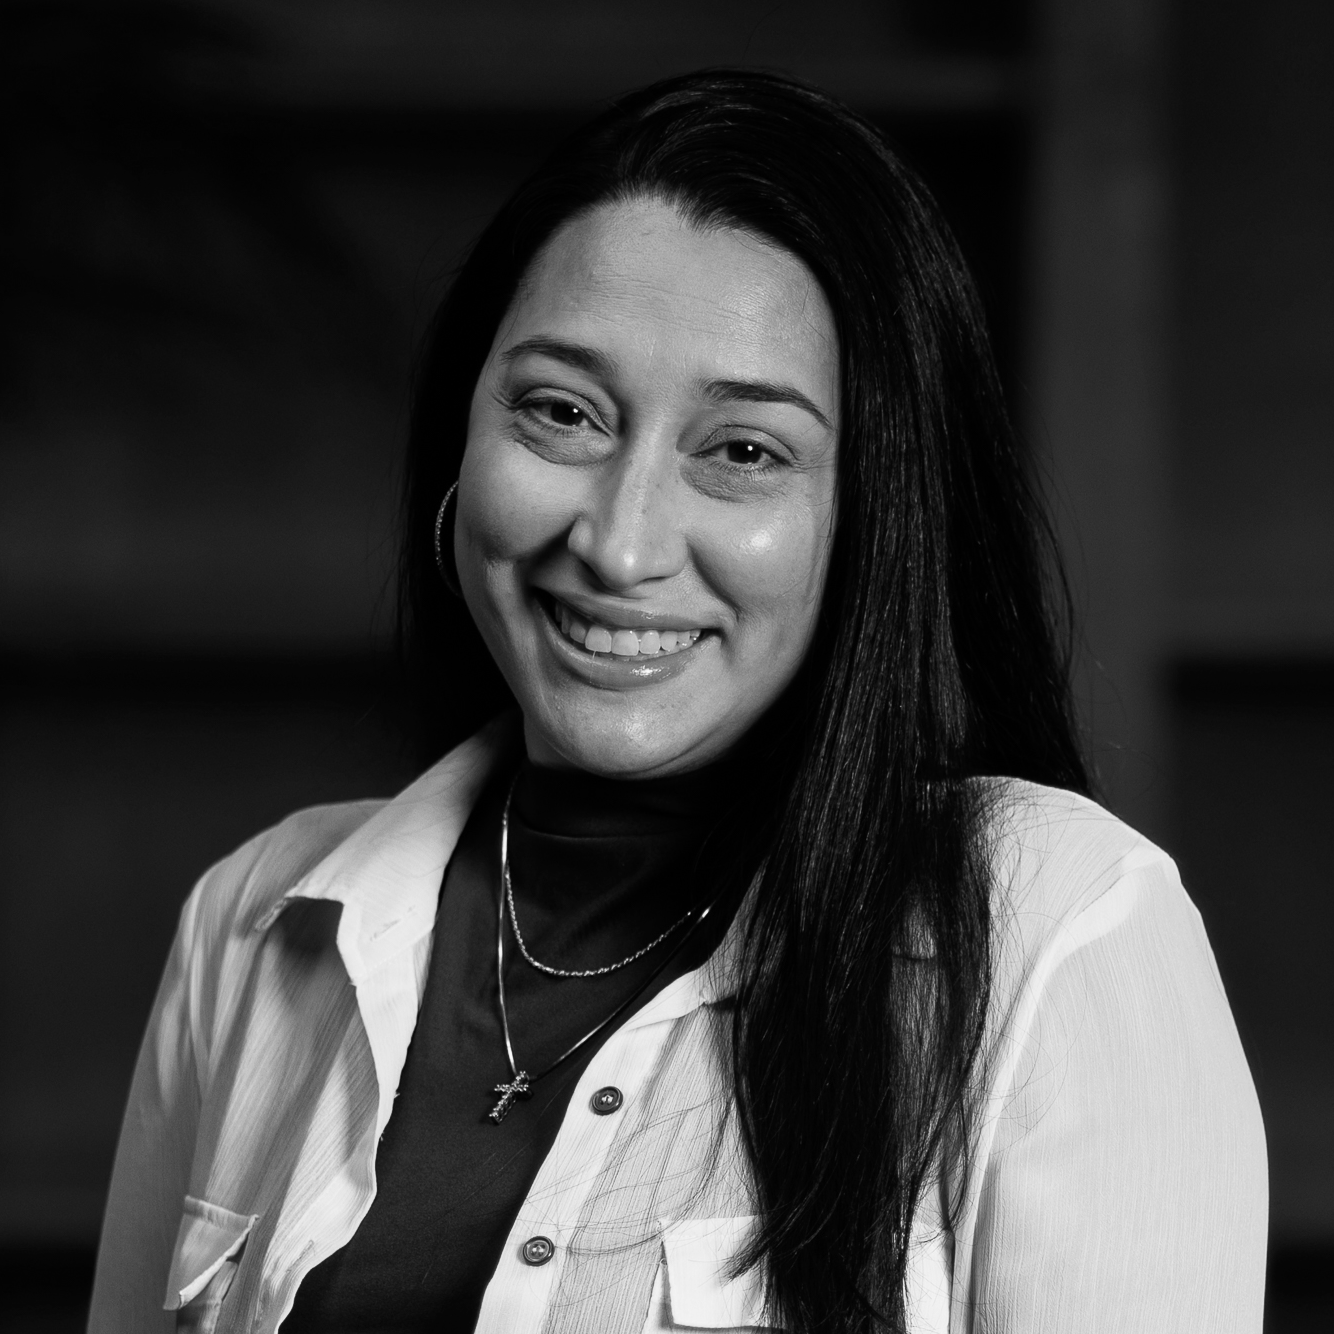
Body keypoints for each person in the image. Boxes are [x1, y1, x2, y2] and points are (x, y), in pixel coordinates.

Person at [87, 70, 1266, 1334]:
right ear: (460, 444)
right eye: (561, 413)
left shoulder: (1056, 926)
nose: (619, 539)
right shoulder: (253, 924)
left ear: (869, 517)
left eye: (743, 450)